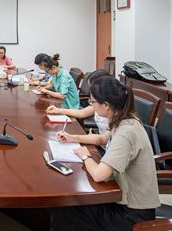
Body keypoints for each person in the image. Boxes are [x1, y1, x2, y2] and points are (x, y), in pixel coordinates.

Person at [51, 77, 159, 231]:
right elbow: (102, 138)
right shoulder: (124, 119)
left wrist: (85, 156)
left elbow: (99, 175)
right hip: (122, 198)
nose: (91, 105)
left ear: (106, 105)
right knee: (69, 205)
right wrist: (73, 138)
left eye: (93, 102)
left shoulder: (126, 132)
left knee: (66, 208)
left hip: (132, 213)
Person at [46, 70, 111, 152]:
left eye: (92, 88)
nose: (91, 93)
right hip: (102, 146)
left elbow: (103, 139)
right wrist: (58, 110)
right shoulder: (99, 103)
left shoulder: (114, 112)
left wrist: (85, 156)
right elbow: (81, 113)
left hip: (107, 151)